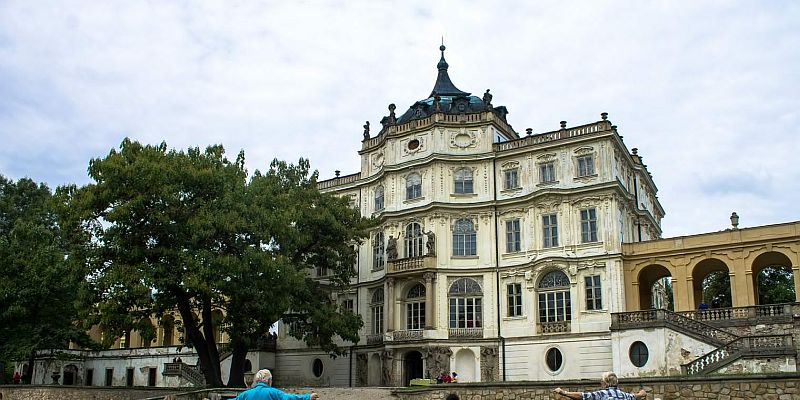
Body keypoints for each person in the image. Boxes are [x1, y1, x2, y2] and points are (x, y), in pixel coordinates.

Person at [235, 369, 318, 400]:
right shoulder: (274, 393)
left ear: (256, 380)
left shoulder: (246, 394)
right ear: (269, 381)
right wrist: (307, 397)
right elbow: (289, 398)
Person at [554, 371, 645, 400]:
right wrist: (642, 393)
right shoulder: (625, 395)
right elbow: (637, 396)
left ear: (606, 383)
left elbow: (583, 396)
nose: (601, 384)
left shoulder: (602, 394)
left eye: (602, 382)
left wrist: (564, 393)